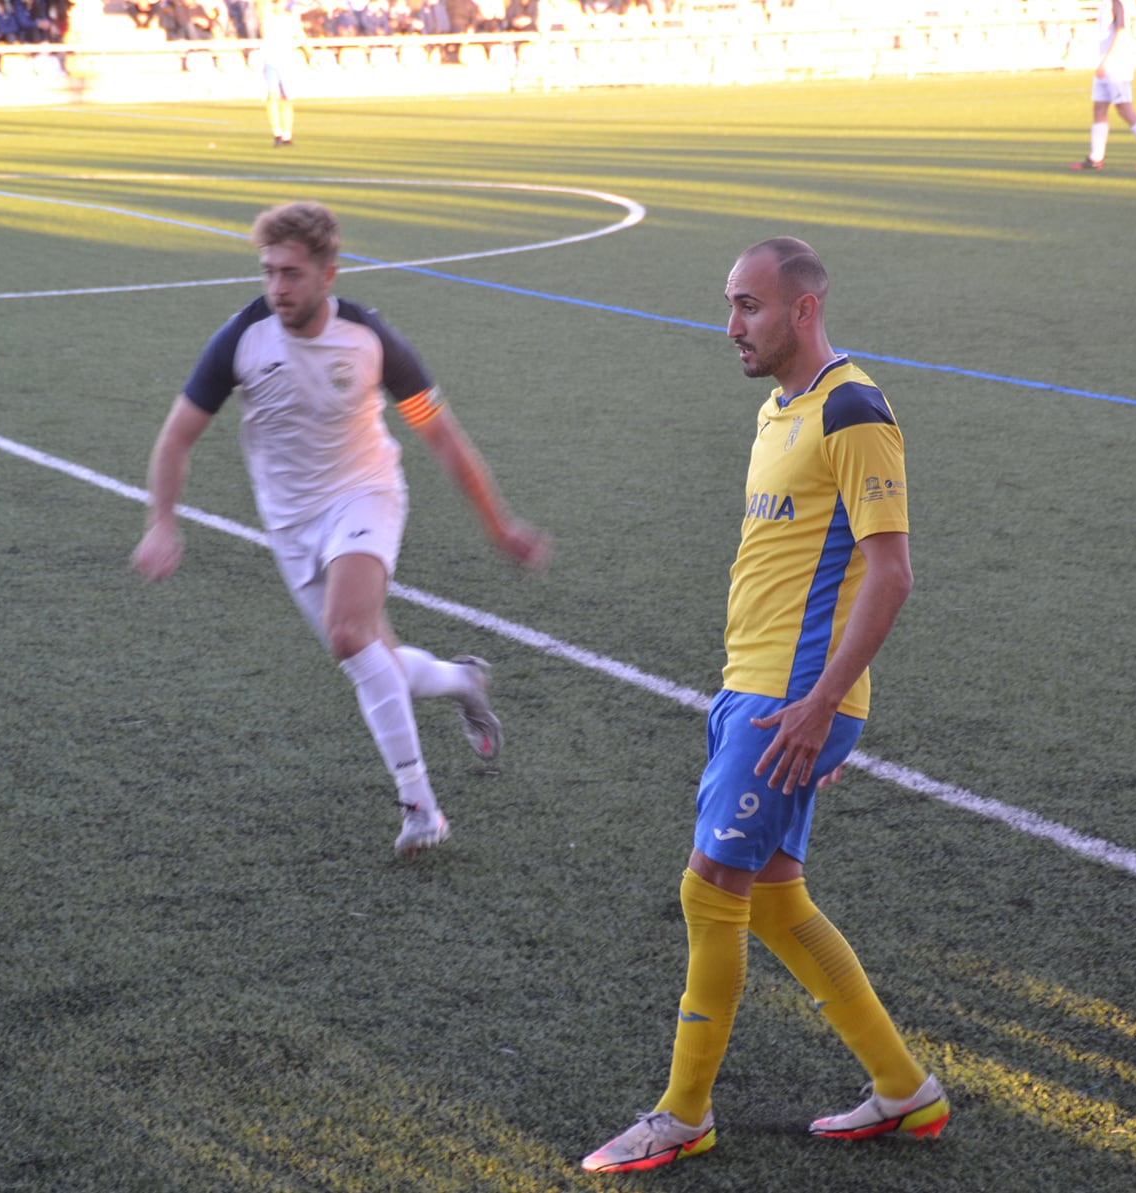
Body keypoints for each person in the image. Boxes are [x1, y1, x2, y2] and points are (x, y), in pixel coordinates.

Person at [580, 237, 947, 1174]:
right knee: (778, 901)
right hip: (751, 684)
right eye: (730, 303)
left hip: (792, 699)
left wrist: (820, 704)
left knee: (710, 890)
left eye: (749, 305)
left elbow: (892, 573)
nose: (731, 323)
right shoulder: (777, 409)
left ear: (804, 309)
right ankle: (905, 1090)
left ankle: (682, 1114)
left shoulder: (854, 409)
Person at [131, 201, 549, 858]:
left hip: (366, 495)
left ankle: (421, 809)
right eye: (268, 271)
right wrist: (161, 523)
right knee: (371, 660)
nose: (276, 288)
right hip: (292, 526)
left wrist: (499, 524)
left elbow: (441, 435)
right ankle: (462, 679)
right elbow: (178, 436)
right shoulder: (242, 339)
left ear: (329, 273)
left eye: (291, 273)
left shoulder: (370, 339)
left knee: (349, 633)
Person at [1068, 0, 1136, 170]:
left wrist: (1107, 60)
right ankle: (1096, 158)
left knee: (1124, 108)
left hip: (1116, 65)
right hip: (1105, 64)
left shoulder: (1118, 3)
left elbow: (1121, 31)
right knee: (1099, 108)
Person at [256, 0, 300, 145]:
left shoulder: (290, 19)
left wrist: (311, 54)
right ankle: (277, 132)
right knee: (273, 96)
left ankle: (287, 133)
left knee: (287, 99)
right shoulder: (267, 18)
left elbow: (301, 36)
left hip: (287, 62)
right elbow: (260, 6)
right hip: (271, 62)